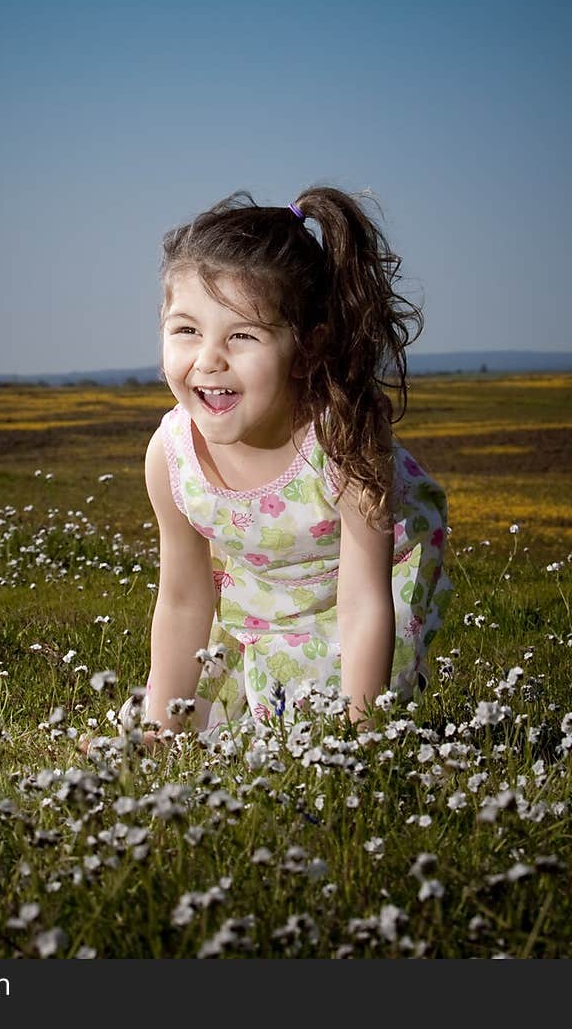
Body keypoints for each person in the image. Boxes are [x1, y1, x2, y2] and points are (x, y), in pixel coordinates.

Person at [113, 187, 451, 747]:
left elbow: (365, 602)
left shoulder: (342, 440)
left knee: (314, 734)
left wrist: (360, 739)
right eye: (186, 330)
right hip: (257, 595)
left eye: (242, 335)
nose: (208, 359)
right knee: (201, 731)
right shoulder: (169, 454)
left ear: (308, 347)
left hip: (360, 594)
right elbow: (183, 598)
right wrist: (158, 731)